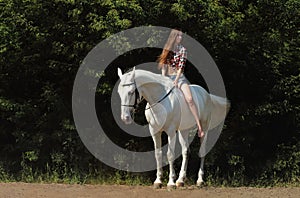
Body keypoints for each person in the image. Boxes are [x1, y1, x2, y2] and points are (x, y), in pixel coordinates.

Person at [157, 29, 204, 138]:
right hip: (167, 78)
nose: (180, 38)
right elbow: (164, 66)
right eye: (178, 36)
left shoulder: (182, 50)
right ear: (174, 37)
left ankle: (199, 125)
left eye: (181, 36)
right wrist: (164, 79)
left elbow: (180, 68)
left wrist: (176, 81)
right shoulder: (167, 49)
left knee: (190, 99)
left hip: (179, 79)